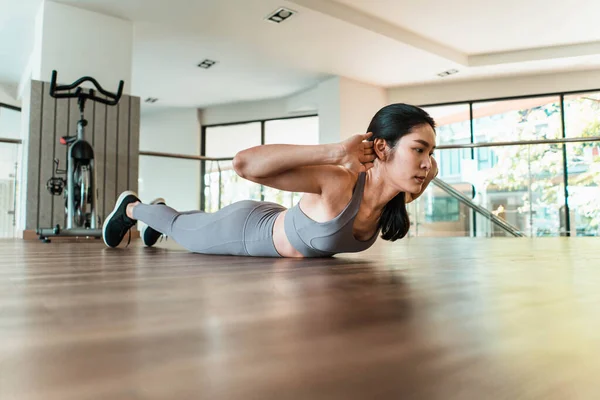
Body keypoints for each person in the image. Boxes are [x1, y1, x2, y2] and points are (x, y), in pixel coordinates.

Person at [102, 103, 438, 258]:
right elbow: (244, 163)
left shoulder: (396, 197)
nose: (427, 164)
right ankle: (133, 208)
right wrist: (336, 151)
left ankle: (156, 212)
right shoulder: (340, 182)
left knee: (188, 221)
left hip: (275, 221)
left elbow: (418, 177)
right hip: (245, 232)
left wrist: (424, 174)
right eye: (419, 150)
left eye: (431, 153)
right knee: (180, 228)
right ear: (382, 147)